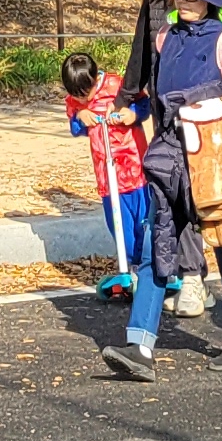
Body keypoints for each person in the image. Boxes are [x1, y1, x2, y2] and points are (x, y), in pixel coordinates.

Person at [104, 0, 222, 380]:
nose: (182, 1)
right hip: (169, 159)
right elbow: (157, 102)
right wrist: (136, 112)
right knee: (154, 249)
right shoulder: (165, 38)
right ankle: (139, 346)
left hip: (216, 163)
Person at [118, 0, 222, 317]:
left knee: (203, 196)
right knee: (173, 198)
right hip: (167, 114)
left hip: (210, 117)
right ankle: (190, 279)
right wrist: (126, 98)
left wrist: (204, 64)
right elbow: (141, 52)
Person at [61, 47, 148, 300]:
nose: (82, 99)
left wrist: (132, 114)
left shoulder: (117, 86)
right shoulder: (76, 102)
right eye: (76, 96)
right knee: (119, 225)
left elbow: (145, 104)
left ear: (94, 78)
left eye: (85, 94)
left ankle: (149, 266)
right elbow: (75, 127)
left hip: (135, 170)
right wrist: (81, 115)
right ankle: (130, 267)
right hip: (107, 175)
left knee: (143, 221)